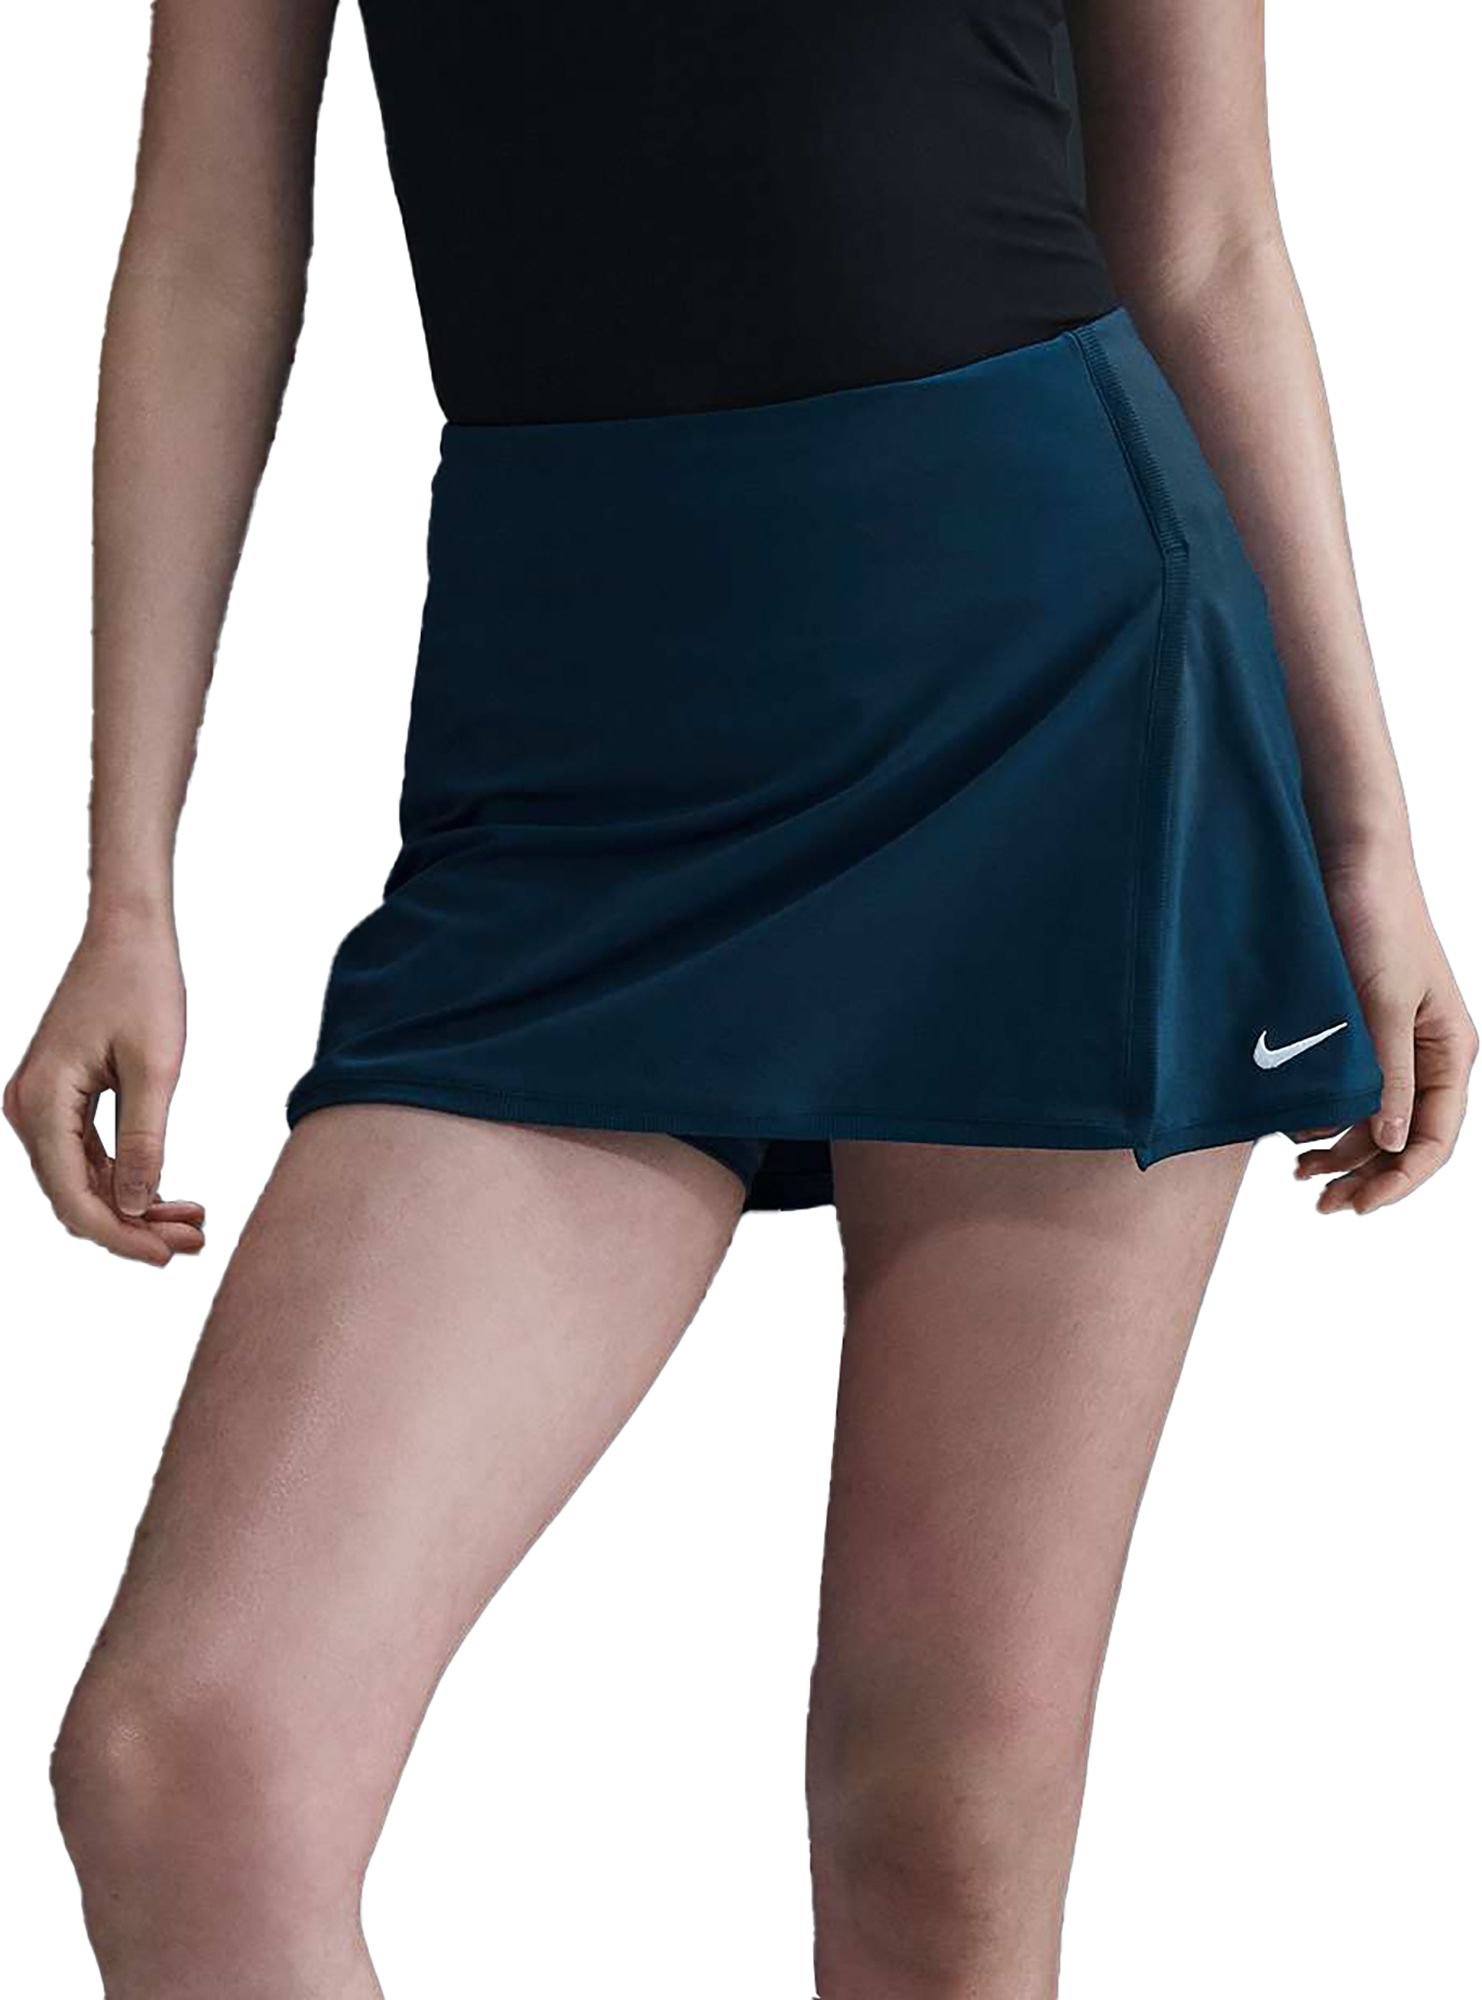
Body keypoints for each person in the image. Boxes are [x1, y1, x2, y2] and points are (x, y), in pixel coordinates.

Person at [5, 1, 1474, 1993]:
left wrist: (1368, 831)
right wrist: (128, 886)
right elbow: (204, 242)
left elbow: (1206, 234)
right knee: (189, 1766)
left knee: (936, 1832)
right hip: (570, 758)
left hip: (1052, 691)